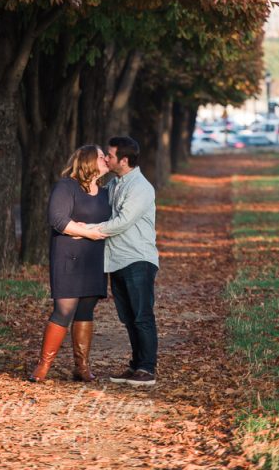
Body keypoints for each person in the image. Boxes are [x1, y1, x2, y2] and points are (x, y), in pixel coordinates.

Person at [28, 145, 109, 383]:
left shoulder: (104, 192)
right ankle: (43, 366)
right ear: (87, 160)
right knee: (63, 310)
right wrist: (87, 232)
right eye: (101, 156)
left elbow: (112, 223)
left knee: (86, 310)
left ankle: (81, 367)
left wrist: (88, 232)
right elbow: (57, 219)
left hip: (94, 257)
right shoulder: (66, 186)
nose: (106, 159)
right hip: (68, 256)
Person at [86, 136, 159, 388]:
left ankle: (147, 369)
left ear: (124, 160)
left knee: (142, 315)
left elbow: (122, 222)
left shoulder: (140, 187)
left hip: (137, 258)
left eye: (110, 155)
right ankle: (136, 365)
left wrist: (89, 230)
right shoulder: (116, 183)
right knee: (128, 317)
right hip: (116, 259)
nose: (106, 158)